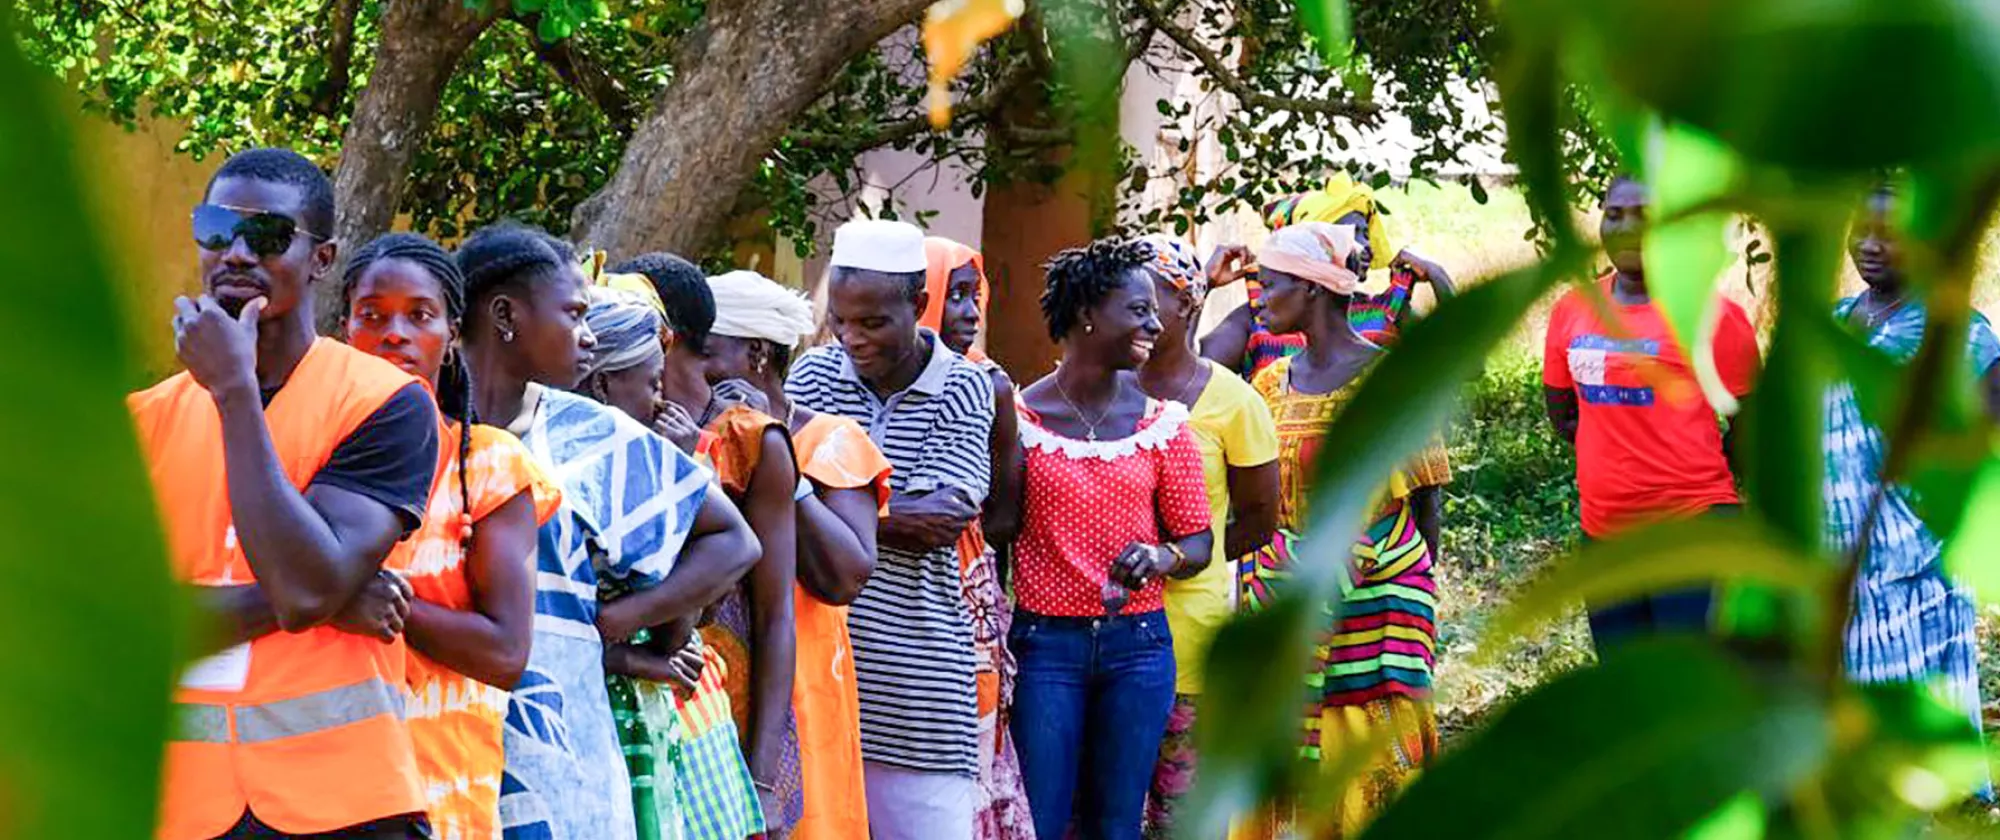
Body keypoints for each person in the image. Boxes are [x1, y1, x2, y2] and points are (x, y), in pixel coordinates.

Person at [130, 148, 440, 840]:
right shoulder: (141, 420)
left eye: (267, 235)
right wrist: (335, 595)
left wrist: (235, 393)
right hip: (176, 808)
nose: (236, 253)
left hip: (346, 805)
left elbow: (305, 587)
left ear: (322, 258)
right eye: (216, 229)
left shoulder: (385, 403)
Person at [454, 224, 759, 840]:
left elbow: (734, 542)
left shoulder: (590, 436)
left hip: (564, 763)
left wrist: (619, 621)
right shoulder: (414, 422)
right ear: (506, 316)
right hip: (441, 749)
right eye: (573, 313)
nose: (587, 335)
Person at [341, 233, 562, 840]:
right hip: (311, 788)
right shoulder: (301, 453)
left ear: (451, 333)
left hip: (439, 794)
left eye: (419, 315)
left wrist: (374, 603)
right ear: (343, 330)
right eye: (372, 315)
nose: (394, 333)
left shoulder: (486, 464)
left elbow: (505, 654)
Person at [784, 219, 995, 840]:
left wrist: (826, 505)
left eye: (872, 323)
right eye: (840, 321)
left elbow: (943, 519)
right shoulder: (813, 376)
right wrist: (865, 508)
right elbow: (784, 503)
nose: (851, 338)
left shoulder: (965, 384)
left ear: (918, 306)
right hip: (822, 678)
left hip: (920, 688)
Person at [1233, 221, 1443, 838]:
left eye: (1269, 285)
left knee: (1366, 750)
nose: (1259, 299)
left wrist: (1403, 596)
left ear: (1312, 290)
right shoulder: (1270, 385)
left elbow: (1427, 502)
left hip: (1377, 608)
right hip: (1283, 596)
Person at [1006, 237, 1214, 840]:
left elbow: (1197, 543)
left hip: (1139, 649)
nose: (1155, 324)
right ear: (1087, 315)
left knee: (1116, 824)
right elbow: (997, 532)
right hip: (1046, 648)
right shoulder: (1019, 420)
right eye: (1139, 310)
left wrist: (1158, 557)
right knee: (1040, 820)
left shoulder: (1162, 424)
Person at [617, 253, 804, 838]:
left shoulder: (750, 439)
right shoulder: (611, 415)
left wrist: (767, 780)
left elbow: (776, 615)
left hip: (721, 711)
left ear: (662, 334)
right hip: (634, 700)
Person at [572, 282, 768, 840]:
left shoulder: (652, 469)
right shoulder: (581, 463)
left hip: (645, 717)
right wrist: (628, 653)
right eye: (653, 382)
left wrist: (620, 626)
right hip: (607, 716)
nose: (662, 401)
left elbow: (680, 631)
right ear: (605, 384)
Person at [704, 268, 892, 840]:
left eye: (708, 352)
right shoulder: (703, 433)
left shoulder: (830, 439)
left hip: (805, 676)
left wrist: (779, 463)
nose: (695, 368)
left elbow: (845, 575)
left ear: (757, 353)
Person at [1828, 185, 2000, 798]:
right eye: (1860, 229)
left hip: (1913, 575)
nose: (1871, 245)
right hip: (1836, 566)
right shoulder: (1834, 324)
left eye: (1891, 233)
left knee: (1914, 749)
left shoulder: (1958, 334)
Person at [1541, 176, 1761, 653]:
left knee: (1690, 687)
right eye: (1615, 214)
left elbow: (1752, 428)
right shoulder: (1573, 310)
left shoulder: (1713, 317)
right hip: (1604, 536)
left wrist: (1682, 475)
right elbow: (1562, 414)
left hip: (1690, 532)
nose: (1627, 229)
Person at [1129, 235, 1279, 839]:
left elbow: (1257, 519)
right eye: (1122, 296)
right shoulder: (1087, 393)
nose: (1134, 312)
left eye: (1150, 298)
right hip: (1099, 635)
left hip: (1190, 641)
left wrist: (1187, 555)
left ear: (1189, 304)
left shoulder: (1234, 403)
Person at [919, 236, 1034, 840]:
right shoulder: (848, 378)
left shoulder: (991, 385)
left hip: (966, 584)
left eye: (974, 295)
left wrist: (942, 527)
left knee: (965, 735)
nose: (970, 312)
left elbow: (1005, 514)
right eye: (954, 294)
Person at [1201, 172, 1456, 377]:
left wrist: (1437, 275)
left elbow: (1467, 367)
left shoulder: (1385, 312)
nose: (1365, 245)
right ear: (1313, 245)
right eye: (1349, 233)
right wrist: (1203, 285)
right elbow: (1186, 376)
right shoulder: (1257, 318)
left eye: (1365, 233)